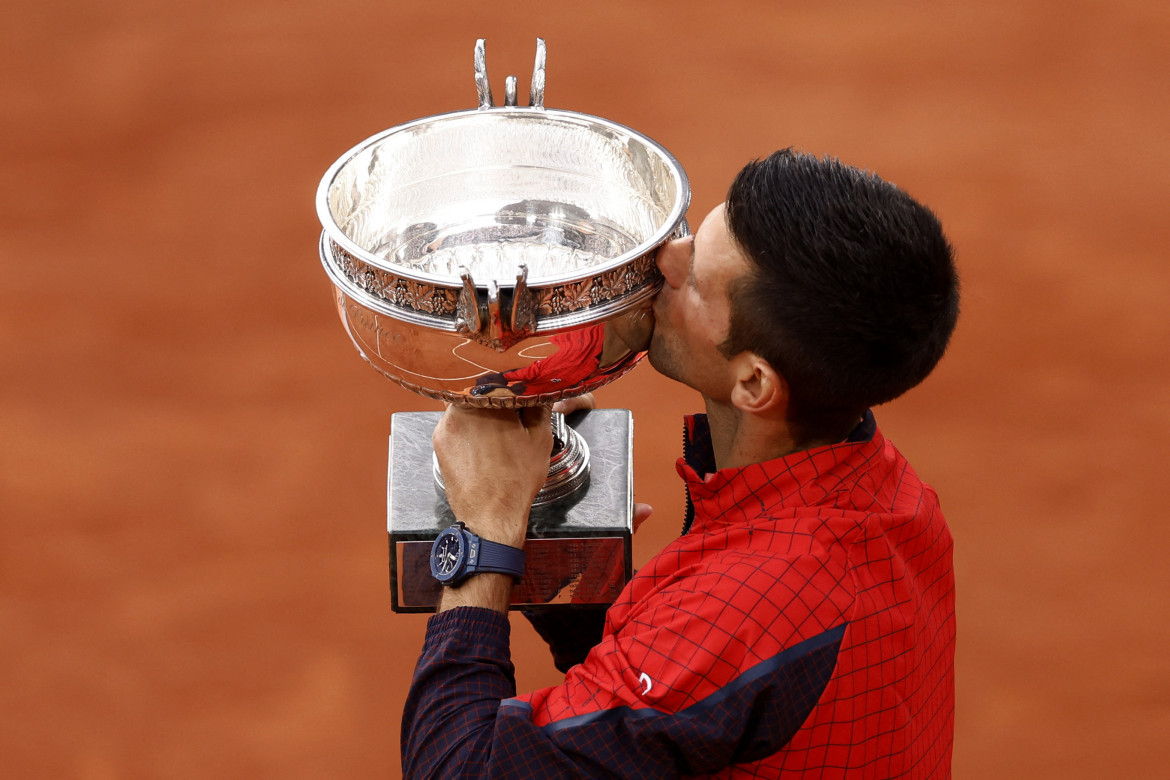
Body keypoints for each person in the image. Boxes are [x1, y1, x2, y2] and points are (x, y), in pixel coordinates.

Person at [402, 148, 960, 778]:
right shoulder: (895, 497)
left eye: (694, 277)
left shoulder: (740, 609)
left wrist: (485, 537)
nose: (665, 257)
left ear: (753, 383)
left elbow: (456, 768)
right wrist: (580, 587)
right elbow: (702, 713)